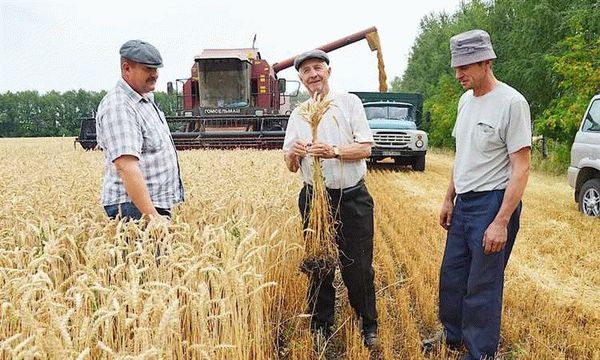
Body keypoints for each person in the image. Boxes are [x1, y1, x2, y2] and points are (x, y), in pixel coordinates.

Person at [423, 30, 531, 359]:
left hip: (492, 204)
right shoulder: (465, 100)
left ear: (487, 62)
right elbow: (463, 154)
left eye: (465, 67)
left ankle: (479, 351)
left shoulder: (512, 103)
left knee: (482, 284)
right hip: (464, 201)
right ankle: (453, 335)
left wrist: (501, 221)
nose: (458, 75)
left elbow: (521, 168)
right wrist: (448, 198)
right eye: (456, 68)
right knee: (453, 276)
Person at [282, 49, 378, 349]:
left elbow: (366, 148)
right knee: (319, 264)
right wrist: (294, 155)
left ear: (328, 71)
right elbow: (290, 164)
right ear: (300, 78)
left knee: (359, 266)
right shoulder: (298, 114)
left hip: (351, 197)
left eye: (317, 68)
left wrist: (334, 151)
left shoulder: (349, 103)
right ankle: (321, 324)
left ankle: (367, 323)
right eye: (306, 71)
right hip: (313, 198)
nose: (313, 74)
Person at [96, 40, 184, 221]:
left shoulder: (144, 100)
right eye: (148, 69)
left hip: (148, 205)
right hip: (134, 209)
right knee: (147, 250)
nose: (155, 74)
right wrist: (151, 215)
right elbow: (126, 166)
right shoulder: (120, 106)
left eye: (156, 69)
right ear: (127, 68)